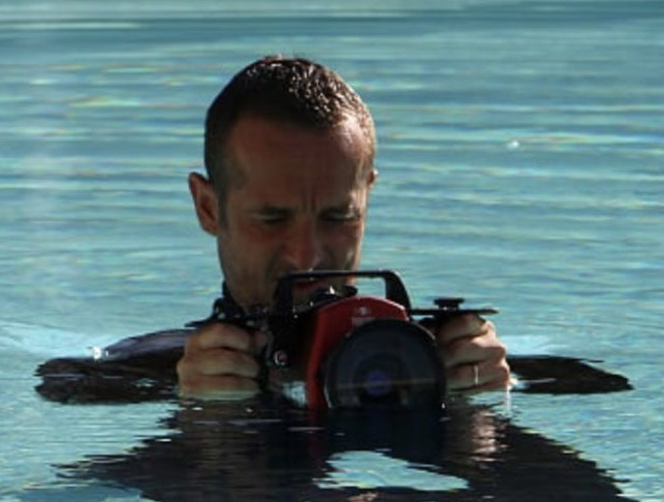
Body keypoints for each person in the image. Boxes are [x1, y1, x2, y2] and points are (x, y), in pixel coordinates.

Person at [176, 56, 511, 400]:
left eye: (337, 218)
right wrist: (205, 423)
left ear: (366, 199)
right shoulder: (158, 377)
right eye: (272, 219)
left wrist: (480, 408)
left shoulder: (440, 365)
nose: (307, 258)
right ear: (208, 208)